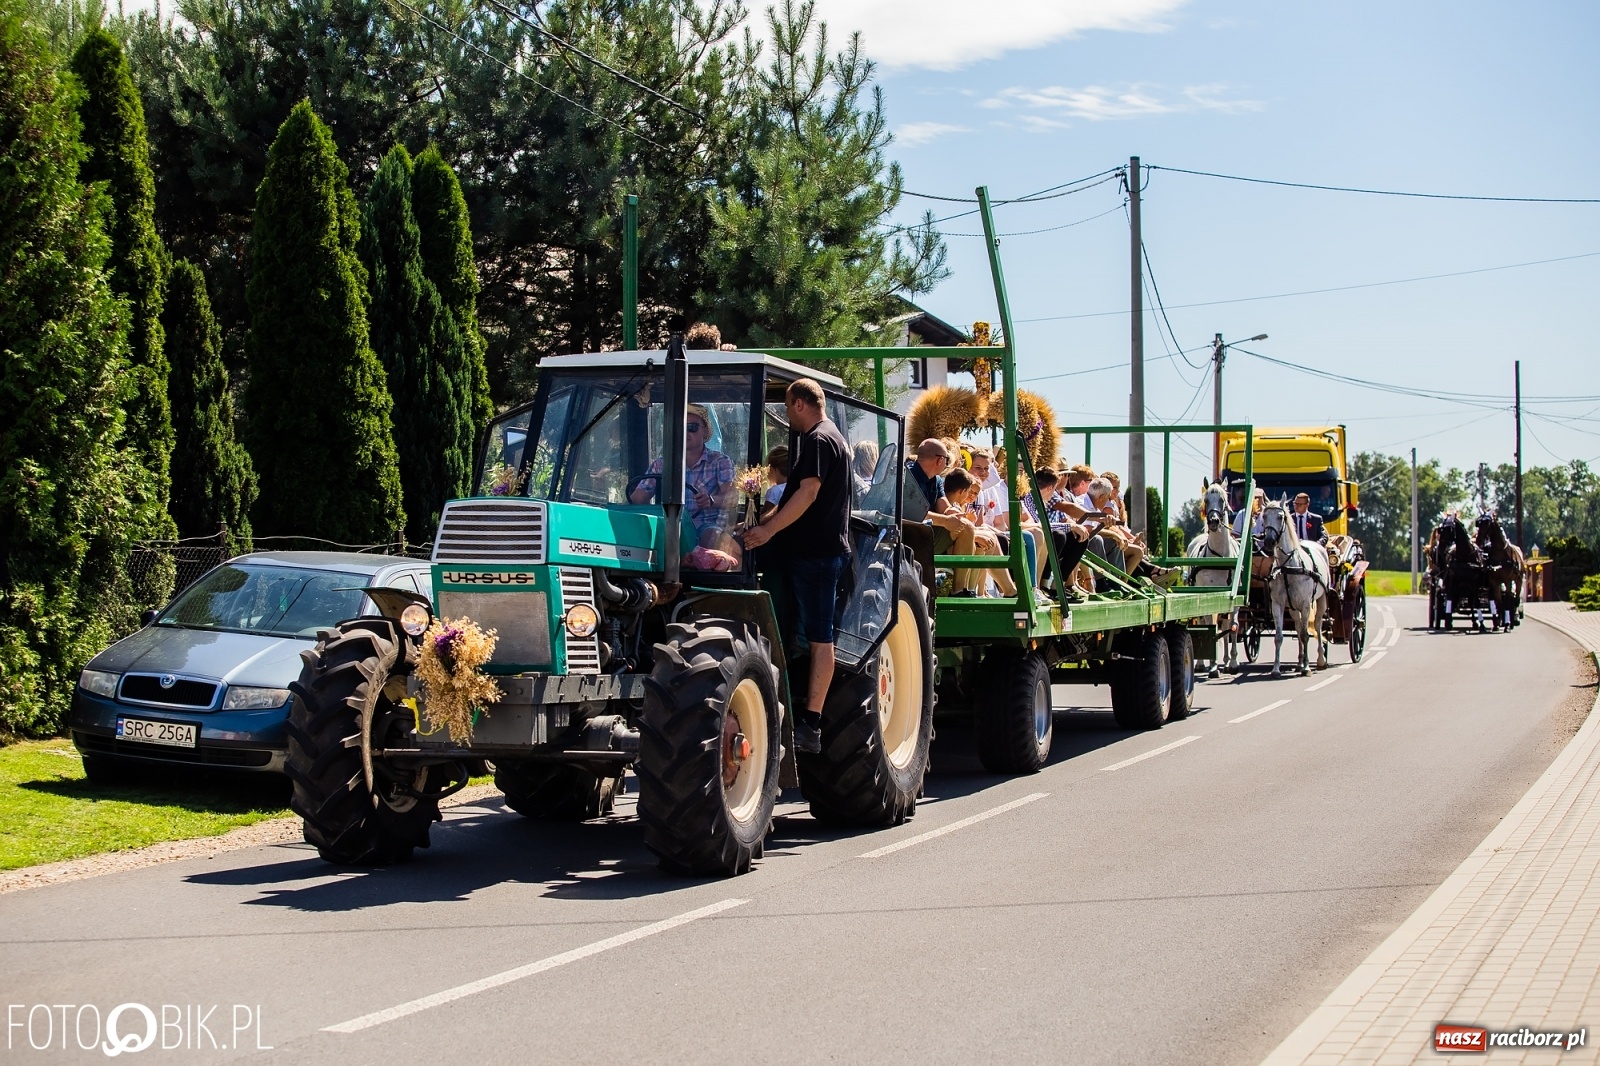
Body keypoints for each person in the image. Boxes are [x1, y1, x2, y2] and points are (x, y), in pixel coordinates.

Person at [742, 379, 851, 755]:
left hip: (818, 555)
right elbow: (791, 494)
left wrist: (768, 530)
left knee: (821, 638)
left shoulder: (820, 440)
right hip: (803, 555)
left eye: (788, 407)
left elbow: (807, 493)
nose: (787, 414)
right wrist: (758, 523)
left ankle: (811, 723)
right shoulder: (822, 438)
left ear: (801, 403)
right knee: (796, 630)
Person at [629, 402, 735, 537]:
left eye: (692, 427)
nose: (685, 432)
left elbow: (732, 497)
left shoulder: (720, 462)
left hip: (705, 527)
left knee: (711, 536)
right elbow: (637, 500)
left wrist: (711, 500)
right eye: (681, 427)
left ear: (705, 431)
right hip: (668, 529)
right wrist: (616, 513)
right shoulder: (661, 465)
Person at [900, 438, 982, 595]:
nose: (948, 464)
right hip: (908, 539)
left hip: (927, 535)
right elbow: (913, 514)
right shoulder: (907, 476)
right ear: (939, 460)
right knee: (963, 526)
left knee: (966, 527)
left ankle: (959, 590)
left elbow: (944, 507)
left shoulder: (936, 480)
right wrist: (947, 521)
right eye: (947, 459)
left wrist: (956, 515)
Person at [943, 467, 1017, 597]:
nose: (971, 496)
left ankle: (979, 591)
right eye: (969, 492)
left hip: (953, 541)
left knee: (988, 539)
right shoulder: (950, 505)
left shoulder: (954, 504)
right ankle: (974, 590)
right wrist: (976, 534)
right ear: (962, 491)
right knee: (983, 542)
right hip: (948, 545)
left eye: (976, 494)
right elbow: (954, 529)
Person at [763, 446, 789, 511]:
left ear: (771, 470)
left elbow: (765, 517)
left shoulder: (774, 491)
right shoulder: (794, 487)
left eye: (767, 469)